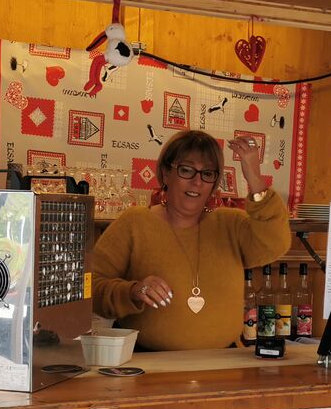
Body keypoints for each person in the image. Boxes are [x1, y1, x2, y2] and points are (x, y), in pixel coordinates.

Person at [92, 129, 290, 350]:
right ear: (166, 173)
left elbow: (275, 243)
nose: (197, 181)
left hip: (223, 364)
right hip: (148, 366)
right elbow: (92, 289)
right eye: (187, 170)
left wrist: (254, 175)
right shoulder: (134, 223)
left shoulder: (231, 224)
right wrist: (133, 291)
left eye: (207, 174)